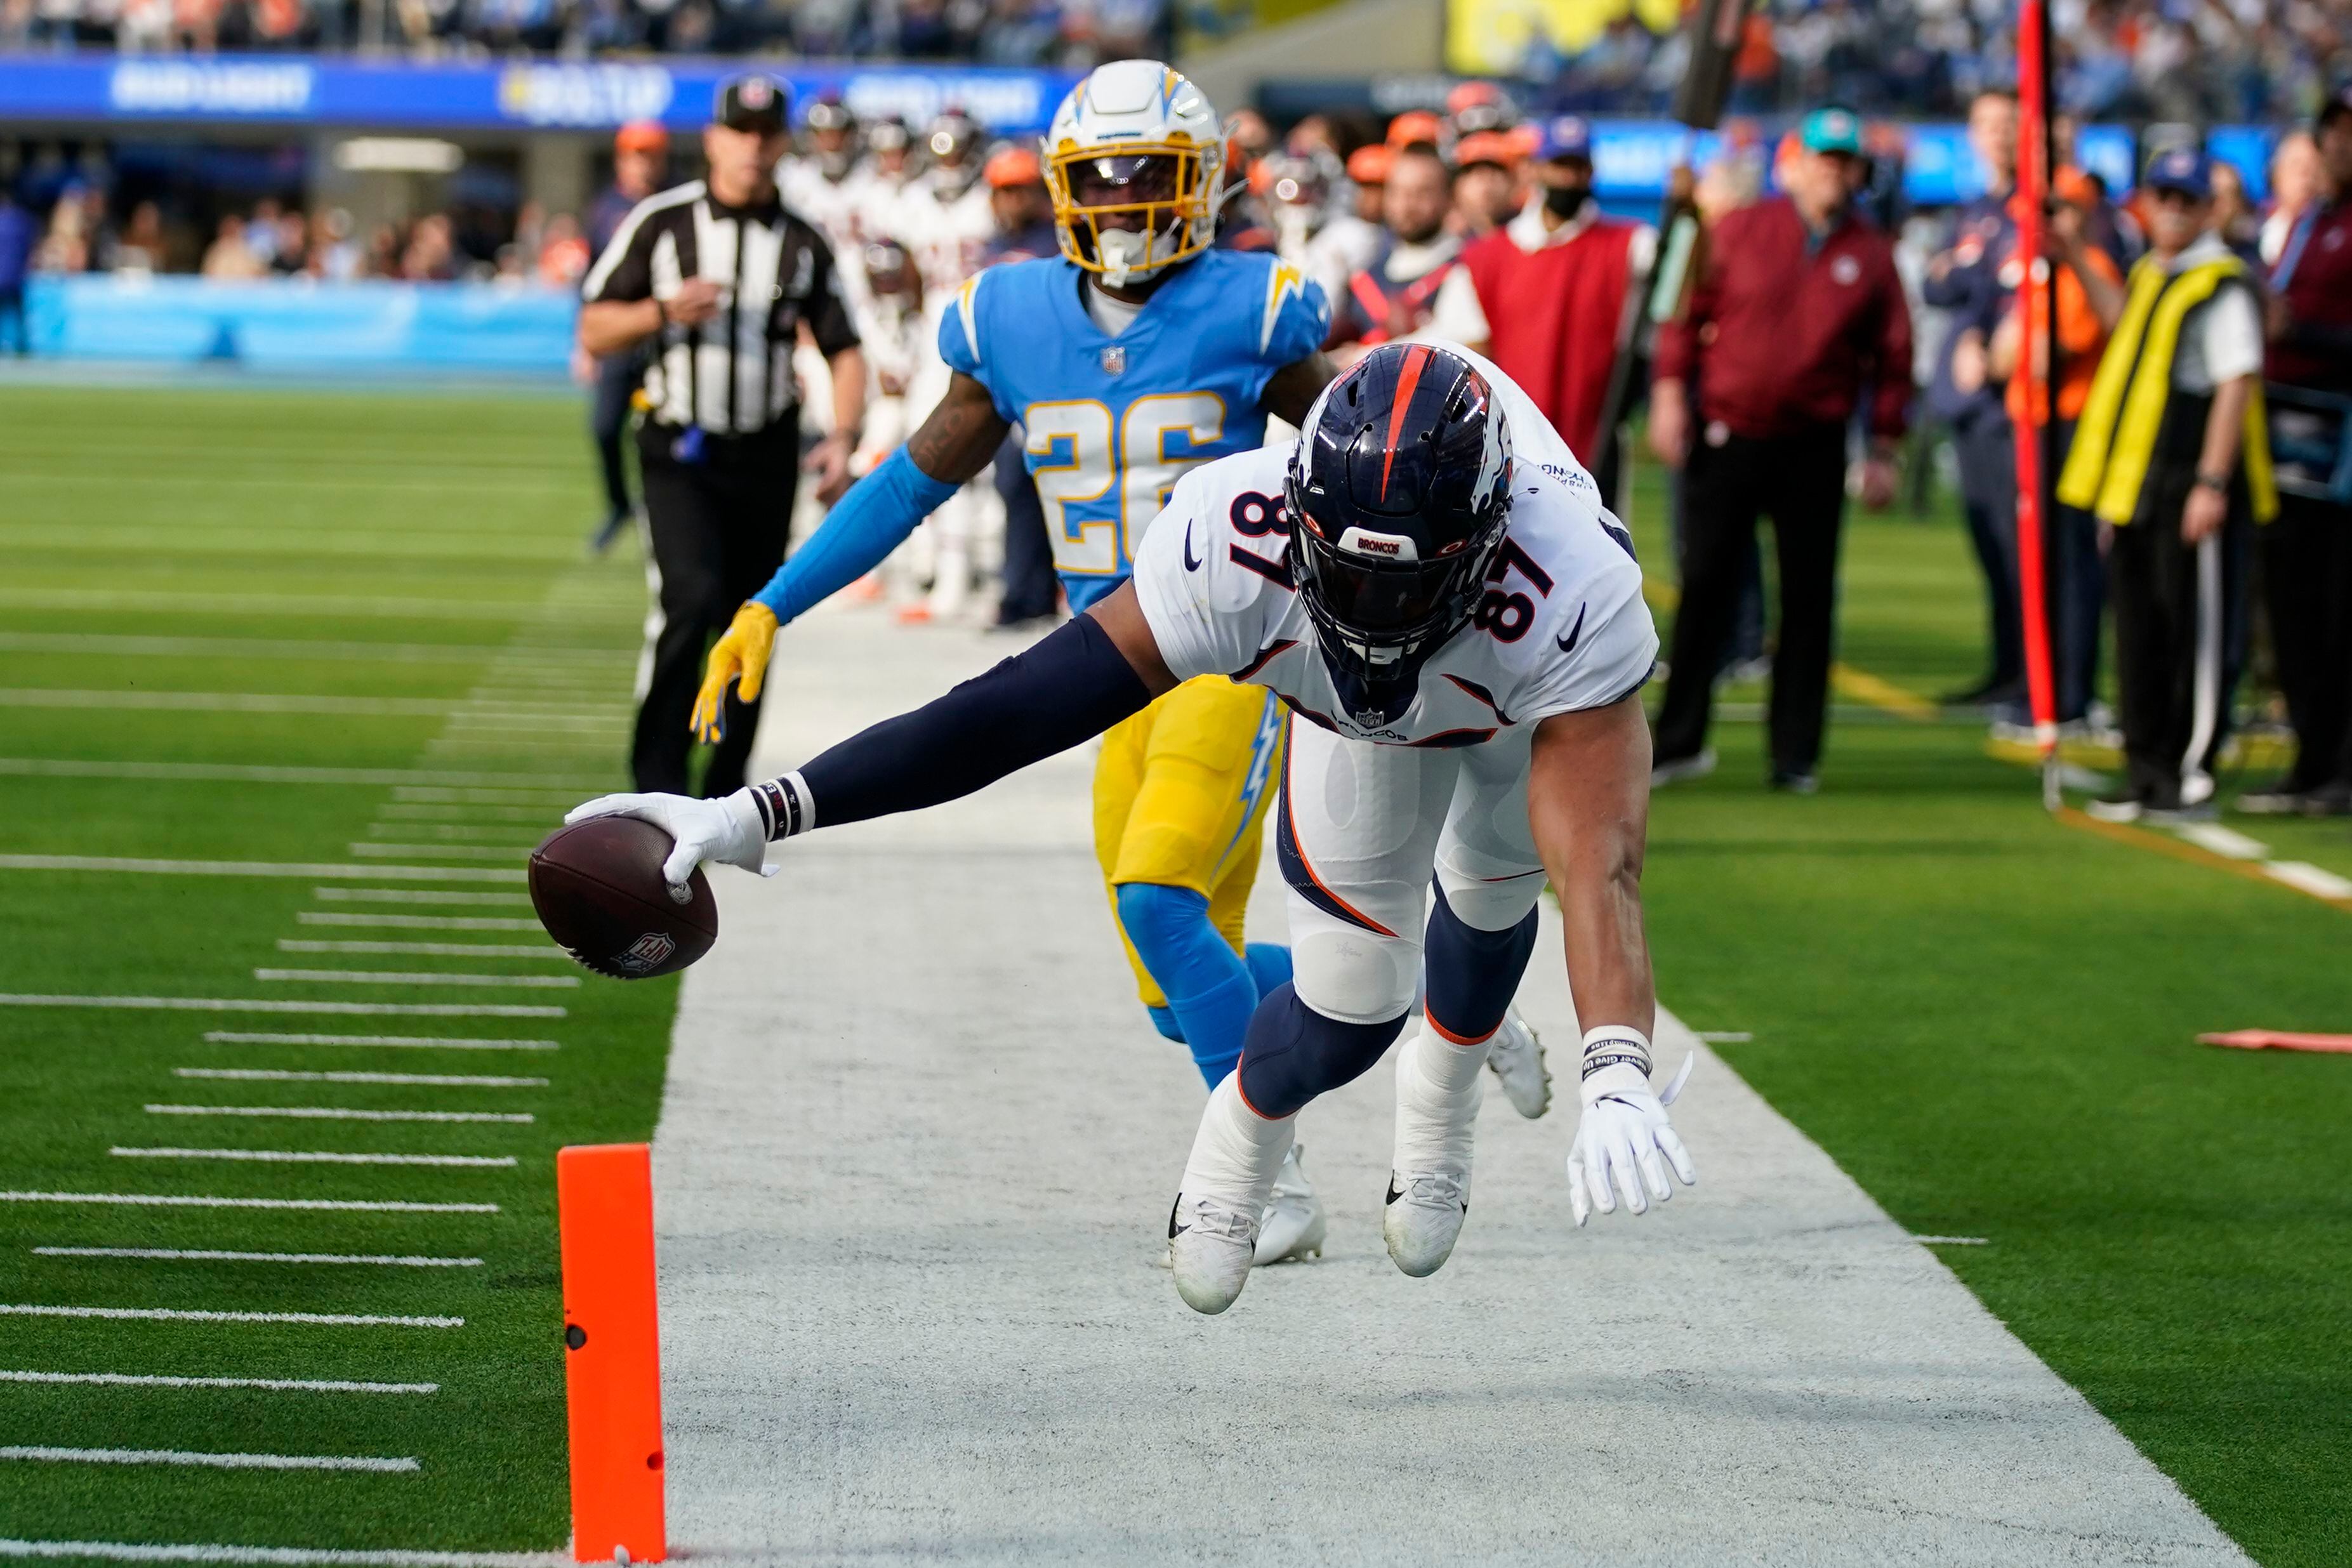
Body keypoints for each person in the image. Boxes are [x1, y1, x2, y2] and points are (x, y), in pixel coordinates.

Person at [566, 342, 1695, 1316]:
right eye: (1341, 572)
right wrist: (759, 809)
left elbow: (1600, 864)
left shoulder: (1570, 590)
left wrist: (1615, 1069)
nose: (1368, 611)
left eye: (1403, 587)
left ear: (1483, 548)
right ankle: (1238, 1147)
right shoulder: (1233, 538)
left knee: (1499, 888)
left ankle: (1440, 1107)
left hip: (1500, 702)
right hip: (1352, 721)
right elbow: (1004, 716)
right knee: (1351, 1002)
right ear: (1296, 515)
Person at [681, 62, 1552, 1272]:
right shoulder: (1011, 316)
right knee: (1171, 986)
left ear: (1203, 185)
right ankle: (1433, 990)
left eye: (1154, 174)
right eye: (1106, 177)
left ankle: (1270, 1183)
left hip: (1231, 656)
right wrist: (776, 602)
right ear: (1063, 188)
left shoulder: (1255, 306)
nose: (1131, 199)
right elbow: (908, 482)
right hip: (1106, 667)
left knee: (1159, 896)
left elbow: (1371, 448)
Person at [578, 74, 868, 801]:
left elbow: (844, 345)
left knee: (753, 619)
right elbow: (593, 325)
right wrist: (662, 311)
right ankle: (656, 780)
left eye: (766, 134)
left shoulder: (803, 241)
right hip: (680, 447)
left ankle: (727, 790)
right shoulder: (662, 222)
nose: (752, 147)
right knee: (690, 600)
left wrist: (842, 434)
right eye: (739, 131)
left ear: (783, 144)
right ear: (713, 139)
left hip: (766, 453)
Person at [1647, 106, 1912, 793]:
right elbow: (1684, 313)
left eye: (1844, 159)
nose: (1832, 169)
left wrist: (1884, 444)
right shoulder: (1739, 227)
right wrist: (1671, 393)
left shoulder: (1871, 251)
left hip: (1814, 444)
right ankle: (1677, 740)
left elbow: (1893, 354)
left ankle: (1794, 753)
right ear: (1792, 162)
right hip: (1728, 431)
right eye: (1822, 156)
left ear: (1858, 170)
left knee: (1807, 601)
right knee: (1703, 589)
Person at [2059, 149, 2275, 824]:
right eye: (2163, 196)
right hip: (2137, 479)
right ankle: (2145, 764)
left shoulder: (2220, 282)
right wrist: (2071, 255)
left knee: (2191, 626)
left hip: (2188, 471)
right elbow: (2124, 324)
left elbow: (2234, 383)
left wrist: (2212, 481)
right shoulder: (2156, 272)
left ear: (2209, 208)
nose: (2173, 209)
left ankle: (2191, 771)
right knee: (2138, 625)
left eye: (2186, 199)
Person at [1436, 115, 1653, 494]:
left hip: (1595, 436)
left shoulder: (1629, 245)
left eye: (1577, 167)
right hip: (1510, 445)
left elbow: (1681, 283)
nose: (1567, 179)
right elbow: (1469, 357)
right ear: (1536, 170)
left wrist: (1689, 212)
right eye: (1558, 166)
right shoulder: (1485, 259)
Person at [1985, 168, 2126, 730]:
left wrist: (2022, 344)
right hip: (2032, 423)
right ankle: (2040, 685)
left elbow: (2056, 351)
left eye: (2064, 209)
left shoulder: (2090, 271)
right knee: (2038, 560)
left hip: (2071, 424)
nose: (2052, 222)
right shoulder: (2035, 274)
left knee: (2071, 563)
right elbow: (2003, 358)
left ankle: (2070, 691)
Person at [2242, 96, 2352, 816]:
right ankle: (2311, 759)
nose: (2341, 148)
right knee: (2294, 609)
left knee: (2340, 611)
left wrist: (2300, 330)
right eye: (2334, 136)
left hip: (2339, 444)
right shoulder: (2309, 221)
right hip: (2284, 444)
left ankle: (2340, 766)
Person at [1922, 88, 2024, 710]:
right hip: (1968, 402)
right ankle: (2004, 667)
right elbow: (1936, 284)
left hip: (2004, 399)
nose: (1997, 135)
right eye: (1986, 124)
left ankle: (2031, 677)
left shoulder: (2023, 209)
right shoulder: (1974, 208)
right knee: (1989, 543)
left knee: (2018, 546)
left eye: (2007, 123)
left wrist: (1962, 278)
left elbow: (1977, 280)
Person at [977, 145, 1060, 630]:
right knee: (1013, 483)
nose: (1010, 200)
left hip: (1052, 379)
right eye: (1003, 190)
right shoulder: (991, 243)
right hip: (1010, 379)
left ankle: (1035, 593)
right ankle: (1025, 592)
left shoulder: (1056, 240)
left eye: (1019, 189)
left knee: (1050, 484)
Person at [583, 119, 670, 555]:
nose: (645, 163)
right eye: (638, 153)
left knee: (661, 435)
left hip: (665, 342)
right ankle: (619, 506)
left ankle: (660, 513)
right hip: (620, 337)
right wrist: (583, 341)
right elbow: (589, 284)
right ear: (622, 158)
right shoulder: (604, 210)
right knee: (603, 427)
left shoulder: (675, 206)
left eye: (652, 154)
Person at [1328, 143, 1460, 359]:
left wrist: (1359, 356)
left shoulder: (1463, 269)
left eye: (1422, 193)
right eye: (1397, 191)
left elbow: (1454, 345)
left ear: (1449, 198)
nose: (1407, 205)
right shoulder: (1366, 275)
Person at [0, 187, 37, 356]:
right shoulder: (23, 221)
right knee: (19, 314)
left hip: (4, 276)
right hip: (16, 277)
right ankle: (23, 348)